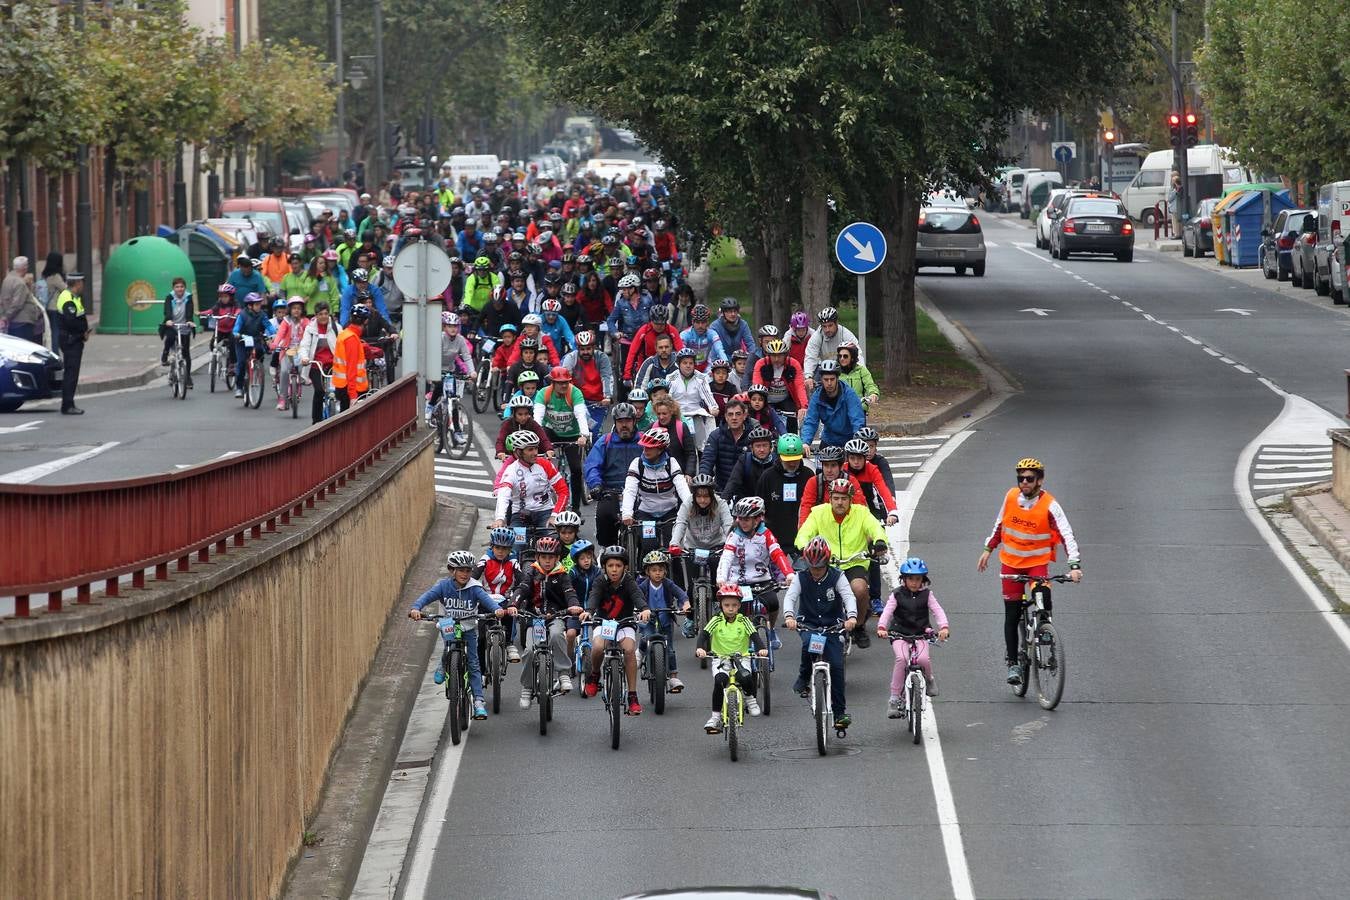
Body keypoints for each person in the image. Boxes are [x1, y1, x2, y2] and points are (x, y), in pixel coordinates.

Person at [976, 457, 1082, 685]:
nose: (1024, 482)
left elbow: (1067, 534)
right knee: (1012, 615)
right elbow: (999, 524)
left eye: (1029, 478)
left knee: (1042, 593)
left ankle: (1044, 627)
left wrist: (1074, 565)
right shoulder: (1010, 496)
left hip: (1036, 562)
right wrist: (988, 549)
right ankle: (1013, 663)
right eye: (1020, 478)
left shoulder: (1050, 505)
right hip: (1011, 563)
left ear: (1039, 481)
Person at [408, 549, 513, 721]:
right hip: (448, 623)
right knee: (448, 644)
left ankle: (478, 701)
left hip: (469, 627)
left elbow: (487, 600)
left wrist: (497, 610)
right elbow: (427, 597)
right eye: (461, 570)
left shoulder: (475, 588)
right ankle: (444, 664)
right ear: (452, 570)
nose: (465, 574)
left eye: (468, 570)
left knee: (473, 662)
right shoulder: (443, 586)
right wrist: (415, 608)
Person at [797, 478, 889, 648]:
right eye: (836, 498)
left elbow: (875, 528)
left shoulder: (861, 513)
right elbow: (805, 532)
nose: (840, 502)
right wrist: (803, 546)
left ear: (851, 499)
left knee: (860, 590)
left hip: (855, 562)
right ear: (830, 498)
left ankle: (859, 625)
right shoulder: (818, 512)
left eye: (844, 498)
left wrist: (879, 541)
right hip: (827, 563)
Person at [782, 536, 857, 729]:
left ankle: (839, 713)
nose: (815, 572)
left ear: (827, 563)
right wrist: (789, 617)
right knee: (810, 645)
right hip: (810, 625)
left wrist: (851, 618)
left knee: (838, 667)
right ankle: (804, 677)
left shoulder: (837, 576)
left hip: (833, 627)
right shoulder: (800, 578)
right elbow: (790, 597)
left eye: (820, 567)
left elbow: (848, 597)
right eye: (812, 567)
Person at [509, 535, 582, 703]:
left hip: (555, 616)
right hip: (534, 618)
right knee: (528, 651)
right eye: (544, 557)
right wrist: (513, 603)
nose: (547, 561)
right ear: (537, 557)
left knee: (557, 635)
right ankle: (527, 687)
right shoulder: (531, 573)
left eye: (551, 557)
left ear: (557, 558)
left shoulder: (562, 575)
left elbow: (569, 592)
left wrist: (574, 606)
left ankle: (563, 674)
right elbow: (522, 589)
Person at [580, 545, 652, 716]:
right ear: (604, 566)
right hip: (604, 623)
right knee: (597, 647)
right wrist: (589, 611)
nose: (614, 570)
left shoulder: (628, 581)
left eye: (618, 566)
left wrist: (644, 609)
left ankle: (632, 696)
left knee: (628, 650)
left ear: (625, 567)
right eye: (610, 565)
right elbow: (594, 597)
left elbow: (637, 595)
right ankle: (595, 675)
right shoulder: (600, 581)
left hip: (625, 623)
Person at [717, 496, 794, 647]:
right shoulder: (734, 536)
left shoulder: (766, 534)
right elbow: (726, 557)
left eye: (747, 519)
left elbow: (777, 554)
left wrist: (789, 574)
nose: (742, 522)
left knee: (773, 603)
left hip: (761, 580)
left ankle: (770, 630)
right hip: (738, 582)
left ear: (758, 519)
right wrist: (721, 578)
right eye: (740, 518)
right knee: (736, 611)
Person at [877, 557, 950, 710]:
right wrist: (882, 627)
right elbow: (888, 612)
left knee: (923, 659)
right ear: (903, 578)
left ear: (923, 579)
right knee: (901, 659)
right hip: (899, 633)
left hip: (921, 633)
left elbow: (937, 611)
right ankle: (894, 697)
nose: (914, 583)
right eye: (910, 579)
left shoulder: (927, 595)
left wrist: (943, 627)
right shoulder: (896, 594)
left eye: (918, 579)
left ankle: (929, 679)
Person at [694, 584, 768, 732]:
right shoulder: (716, 620)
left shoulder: (744, 621)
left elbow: (754, 636)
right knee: (719, 681)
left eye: (734, 605)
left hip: (742, 658)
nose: (730, 608)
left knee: (746, 677)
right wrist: (700, 648)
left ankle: (750, 699)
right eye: (726, 605)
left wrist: (762, 649)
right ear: (720, 605)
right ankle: (715, 717)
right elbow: (704, 635)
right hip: (721, 659)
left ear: (739, 605)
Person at [621, 426, 694, 554]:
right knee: (649, 546)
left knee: (672, 546)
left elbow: (682, 486)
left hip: (670, 512)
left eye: (649, 448)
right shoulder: (637, 464)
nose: (645, 450)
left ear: (660, 449)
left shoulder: (671, 463)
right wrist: (627, 513)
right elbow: (630, 490)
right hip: (646, 513)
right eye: (644, 447)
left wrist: (691, 507)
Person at [584, 402, 644, 546]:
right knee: (604, 516)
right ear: (615, 422)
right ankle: (607, 550)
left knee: (648, 525)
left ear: (634, 421)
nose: (624, 425)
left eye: (628, 421)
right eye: (620, 421)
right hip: (611, 491)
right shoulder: (605, 441)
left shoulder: (644, 441)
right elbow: (592, 466)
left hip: (640, 491)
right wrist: (596, 485)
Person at [637, 549, 691, 694]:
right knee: (646, 636)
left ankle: (673, 677)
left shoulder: (668, 584)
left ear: (665, 571)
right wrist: (639, 610)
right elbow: (637, 597)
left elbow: (681, 594)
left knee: (671, 650)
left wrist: (685, 604)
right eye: (654, 570)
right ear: (647, 571)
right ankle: (641, 650)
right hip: (648, 620)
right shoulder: (643, 585)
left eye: (661, 569)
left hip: (665, 619)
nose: (658, 573)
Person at [491, 430, 569, 529]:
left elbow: (563, 491)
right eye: (530, 449)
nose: (535, 453)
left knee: (550, 542)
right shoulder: (511, 470)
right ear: (518, 452)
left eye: (536, 448)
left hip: (545, 512)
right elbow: (503, 495)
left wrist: (555, 515)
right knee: (518, 544)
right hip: (520, 515)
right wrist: (500, 518)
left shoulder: (545, 464)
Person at [756, 434, 812, 555]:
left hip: (802, 539)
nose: (792, 464)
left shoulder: (808, 475)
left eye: (795, 459)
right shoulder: (767, 477)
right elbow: (759, 509)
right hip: (775, 540)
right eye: (788, 460)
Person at [560, 329, 613, 444]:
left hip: (598, 402)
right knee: (574, 434)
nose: (585, 352)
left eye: (588, 349)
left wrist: (607, 396)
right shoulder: (571, 358)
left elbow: (607, 377)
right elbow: (565, 379)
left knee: (595, 433)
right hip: (578, 401)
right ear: (578, 348)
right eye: (582, 349)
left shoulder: (602, 358)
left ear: (593, 347)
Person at [800, 361, 866, 451]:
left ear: (837, 378)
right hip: (829, 440)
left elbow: (857, 419)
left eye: (832, 379)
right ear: (821, 379)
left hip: (849, 440)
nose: (829, 383)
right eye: (826, 380)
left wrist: (857, 440)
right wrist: (805, 443)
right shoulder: (817, 396)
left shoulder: (849, 393)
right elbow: (811, 421)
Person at [751, 339, 808, 429]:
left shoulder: (793, 364)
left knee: (792, 420)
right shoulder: (761, 364)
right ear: (768, 355)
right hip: (767, 399)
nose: (777, 359)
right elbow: (757, 386)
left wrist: (803, 406)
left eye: (780, 355)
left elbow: (800, 387)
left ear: (785, 355)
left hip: (786, 399)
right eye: (773, 356)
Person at [298, 301, 339, 423]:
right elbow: (304, 345)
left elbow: (343, 345)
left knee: (339, 391)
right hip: (316, 366)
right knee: (320, 391)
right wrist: (305, 358)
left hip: (334, 365)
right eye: (320, 314)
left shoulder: (336, 328)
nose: (324, 317)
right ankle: (316, 421)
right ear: (316, 315)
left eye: (326, 314)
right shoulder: (310, 329)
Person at [803, 307, 862, 390]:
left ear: (836, 323)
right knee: (815, 389)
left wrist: (862, 373)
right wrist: (808, 376)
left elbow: (858, 354)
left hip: (842, 367)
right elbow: (810, 356)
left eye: (830, 325)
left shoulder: (846, 334)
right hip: (824, 367)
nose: (827, 330)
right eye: (824, 326)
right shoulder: (817, 336)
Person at [54, 273, 89, 415]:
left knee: (71, 373)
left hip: (72, 339)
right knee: (71, 374)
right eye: (82, 283)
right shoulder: (68, 299)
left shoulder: (72, 297)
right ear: (78, 283)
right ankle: (67, 405)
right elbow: (71, 322)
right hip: (71, 340)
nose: (83, 286)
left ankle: (69, 403)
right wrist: (82, 334)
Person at [699, 398, 752, 491]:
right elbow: (707, 460)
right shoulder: (716, 435)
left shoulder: (753, 435)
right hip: (722, 488)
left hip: (747, 489)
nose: (734, 418)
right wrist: (703, 481)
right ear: (726, 417)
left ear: (744, 416)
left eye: (738, 414)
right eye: (730, 414)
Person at [232, 292, 278, 399]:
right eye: (256, 304)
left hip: (256, 339)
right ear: (250, 305)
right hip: (242, 341)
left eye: (259, 304)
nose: (259, 306)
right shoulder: (242, 315)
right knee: (242, 362)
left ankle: (257, 368)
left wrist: (274, 334)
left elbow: (268, 326)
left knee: (260, 352)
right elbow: (236, 328)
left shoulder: (262, 314)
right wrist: (236, 334)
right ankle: (239, 387)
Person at [623, 303, 683, 383]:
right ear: (651, 321)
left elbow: (681, 352)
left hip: (667, 367)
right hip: (646, 368)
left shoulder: (671, 331)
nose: (659, 326)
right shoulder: (643, 331)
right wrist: (627, 376)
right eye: (656, 323)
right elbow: (632, 353)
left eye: (662, 324)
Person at [269, 297, 309, 409]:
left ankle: (300, 386)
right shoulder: (286, 321)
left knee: (302, 370)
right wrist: (275, 344)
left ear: (302, 310)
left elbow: (309, 333)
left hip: (301, 350)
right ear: (289, 310)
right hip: (286, 350)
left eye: (299, 308)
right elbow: (280, 334)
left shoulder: (305, 322)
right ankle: (282, 398)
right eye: (294, 308)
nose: (296, 310)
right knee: (284, 371)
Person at [723, 426, 779, 502]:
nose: (761, 450)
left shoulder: (776, 461)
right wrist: (723, 501)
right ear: (751, 448)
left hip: (771, 504)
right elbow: (733, 482)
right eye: (758, 446)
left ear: (770, 447)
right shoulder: (744, 460)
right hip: (748, 504)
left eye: (765, 445)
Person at [331, 303, 370, 412]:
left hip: (343, 387)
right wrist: (353, 396)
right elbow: (351, 369)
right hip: (352, 390)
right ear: (365, 321)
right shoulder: (352, 339)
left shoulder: (345, 334)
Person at [496, 394, 555, 460]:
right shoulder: (507, 424)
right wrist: (500, 452)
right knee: (505, 470)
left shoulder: (533, 423)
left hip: (531, 458)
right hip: (512, 457)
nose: (523, 417)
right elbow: (500, 440)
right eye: (520, 414)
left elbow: (544, 439)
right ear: (514, 414)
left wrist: (549, 449)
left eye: (526, 414)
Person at [0, 256, 38, 342]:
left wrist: (3, 316)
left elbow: (2, 299)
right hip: (22, 321)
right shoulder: (20, 283)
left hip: (13, 322)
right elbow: (17, 304)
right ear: (24, 268)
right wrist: (5, 317)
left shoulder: (7, 279)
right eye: (27, 266)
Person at [678, 304, 724, 371]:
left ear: (707, 322)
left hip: (706, 366)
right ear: (692, 322)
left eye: (703, 322)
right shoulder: (685, 334)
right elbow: (681, 352)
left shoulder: (712, 334)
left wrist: (726, 362)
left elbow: (720, 350)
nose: (700, 326)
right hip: (689, 366)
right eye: (697, 322)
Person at [836, 341, 879, 411]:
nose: (842, 358)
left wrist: (873, 394)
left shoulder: (861, 371)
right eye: (840, 356)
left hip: (859, 409)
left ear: (852, 357)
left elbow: (870, 385)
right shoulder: (835, 372)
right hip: (840, 410)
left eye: (845, 356)